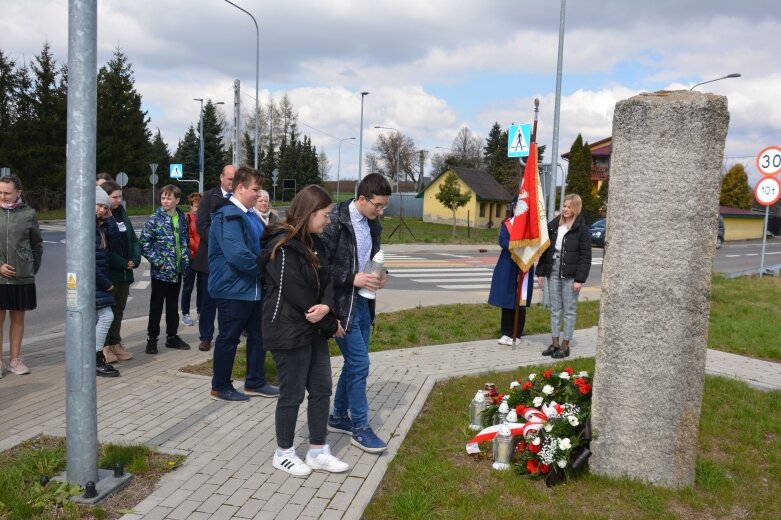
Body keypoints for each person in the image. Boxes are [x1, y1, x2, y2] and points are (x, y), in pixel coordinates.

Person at [260, 184, 349, 476]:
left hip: (313, 331)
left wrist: (327, 308)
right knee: (293, 393)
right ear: (309, 212)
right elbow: (297, 294)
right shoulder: (282, 246)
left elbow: (329, 280)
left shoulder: (315, 242)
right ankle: (283, 452)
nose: (328, 220)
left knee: (322, 389)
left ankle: (318, 450)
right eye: (325, 214)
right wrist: (329, 321)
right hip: (288, 331)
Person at [322, 172, 391, 453]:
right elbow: (321, 266)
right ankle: (360, 428)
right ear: (361, 199)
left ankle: (338, 416)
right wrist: (352, 278)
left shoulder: (373, 224)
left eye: (385, 206)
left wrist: (382, 274)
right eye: (377, 205)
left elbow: (374, 256)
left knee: (354, 364)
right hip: (341, 307)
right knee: (360, 365)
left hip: (363, 303)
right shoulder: (335, 220)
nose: (381, 211)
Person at [208, 166, 278, 402]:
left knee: (259, 336)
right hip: (232, 290)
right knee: (229, 338)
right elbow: (238, 255)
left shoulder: (249, 214)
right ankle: (220, 386)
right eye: (255, 190)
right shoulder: (227, 215)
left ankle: (255, 381)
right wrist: (267, 271)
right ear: (240, 188)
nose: (259, 196)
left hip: (252, 289)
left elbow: (263, 246)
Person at [536, 194, 592, 359]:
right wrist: (540, 272)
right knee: (555, 310)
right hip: (553, 270)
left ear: (576, 208)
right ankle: (554, 344)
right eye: (564, 206)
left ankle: (565, 346)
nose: (565, 209)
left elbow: (585, 256)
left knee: (568, 311)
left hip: (571, 275)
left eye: (569, 207)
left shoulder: (581, 229)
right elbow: (545, 250)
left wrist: (579, 280)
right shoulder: (554, 226)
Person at [140, 184, 191, 354]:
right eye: (163, 197)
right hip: (161, 272)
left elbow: (184, 240)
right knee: (156, 306)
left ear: (177, 200)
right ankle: (152, 339)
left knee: (172, 305)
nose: (165, 201)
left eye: (169, 198)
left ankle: (172, 336)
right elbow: (145, 244)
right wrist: (159, 262)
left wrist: (185, 259)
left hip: (177, 270)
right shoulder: (155, 218)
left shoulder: (182, 217)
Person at [0, 175, 42, 377]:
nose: (2, 196)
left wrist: (31, 268)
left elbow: (36, 245)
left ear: (19, 192)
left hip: (21, 275)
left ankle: (15, 361)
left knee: (17, 317)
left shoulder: (29, 214)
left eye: (6, 192)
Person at [194, 165, 236, 352]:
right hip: (210, 258)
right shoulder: (209, 197)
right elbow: (201, 224)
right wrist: (219, 241)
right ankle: (206, 336)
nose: (232, 183)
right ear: (221, 177)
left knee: (228, 300)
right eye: (229, 179)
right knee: (208, 300)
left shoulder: (237, 198)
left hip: (231, 259)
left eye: (235, 179)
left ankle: (227, 335)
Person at [100, 180, 140, 364]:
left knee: (119, 310)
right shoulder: (103, 218)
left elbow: (132, 239)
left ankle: (116, 343)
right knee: (106, 312)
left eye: (119, 196)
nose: (118, 200)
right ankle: (105, 347)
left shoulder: (122, 214)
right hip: (112, 272)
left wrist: (135, 258)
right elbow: (105, 249)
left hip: (125, 273)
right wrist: (123, 263)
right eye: (114, 197)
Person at [487, 207, 535, 346]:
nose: (518, 209)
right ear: (513, 208)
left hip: (523, 263)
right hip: (508, 264)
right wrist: (517, 245)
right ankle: (506, 332)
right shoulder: (507, 223)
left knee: (520, 300)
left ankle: (517, 334)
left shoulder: (530, 225)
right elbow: (503, 241)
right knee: (507, 300)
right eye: (516, 206)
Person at [95, 187, 120, 377]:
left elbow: (116, 241)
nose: (103, 210)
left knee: (98, 318)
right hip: (96, 284)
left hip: (98, 283)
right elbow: (89, 263)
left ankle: (94, 357)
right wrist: (106, 284)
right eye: (100, 206)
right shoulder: (90, 229)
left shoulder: (100, 226)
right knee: (106, 317)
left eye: (106, 207)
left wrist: (109, 216)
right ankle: (96, 359)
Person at [181, 192, 202, 327]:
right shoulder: (187, 217)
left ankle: (200, 311)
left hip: (202, 258)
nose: (198, 209)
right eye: (196, 206)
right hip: (191, 257)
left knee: (202, 287)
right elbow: (186, 237)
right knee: (188, 287)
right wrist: (197, 249)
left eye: (200, 206)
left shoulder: (205, 218)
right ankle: (185, 313)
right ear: (191, 205)